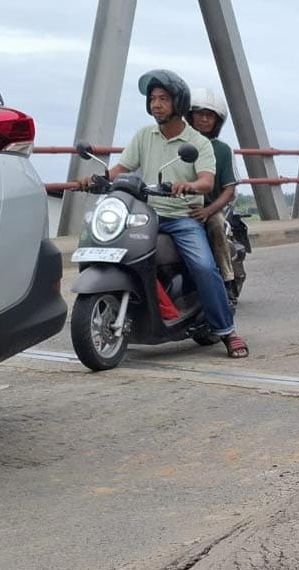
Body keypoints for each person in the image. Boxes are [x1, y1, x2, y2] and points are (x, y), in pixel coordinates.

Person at [79, 69, 248, 358]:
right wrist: (97, 178)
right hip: (147, 214)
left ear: (178, 103)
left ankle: (227, 331)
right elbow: (123, 169)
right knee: (117, 250)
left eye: (163, 99)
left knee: (205, 267)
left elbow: (207, 180)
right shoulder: (145, 136)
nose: (156, 104)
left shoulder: (198, 143)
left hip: (182, 218)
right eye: (153, 99)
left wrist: (189, 185)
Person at [185, 87, 240, 302]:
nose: (204, 120)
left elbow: (230, 190)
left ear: (217, 122)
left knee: (216, 224)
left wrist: (209, 210)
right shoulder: (177, 145)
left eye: (210, 116)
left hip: (211, 206)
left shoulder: (222, 150)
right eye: (200, 115)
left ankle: (227, 280)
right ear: (190, 117)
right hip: (180, 206)